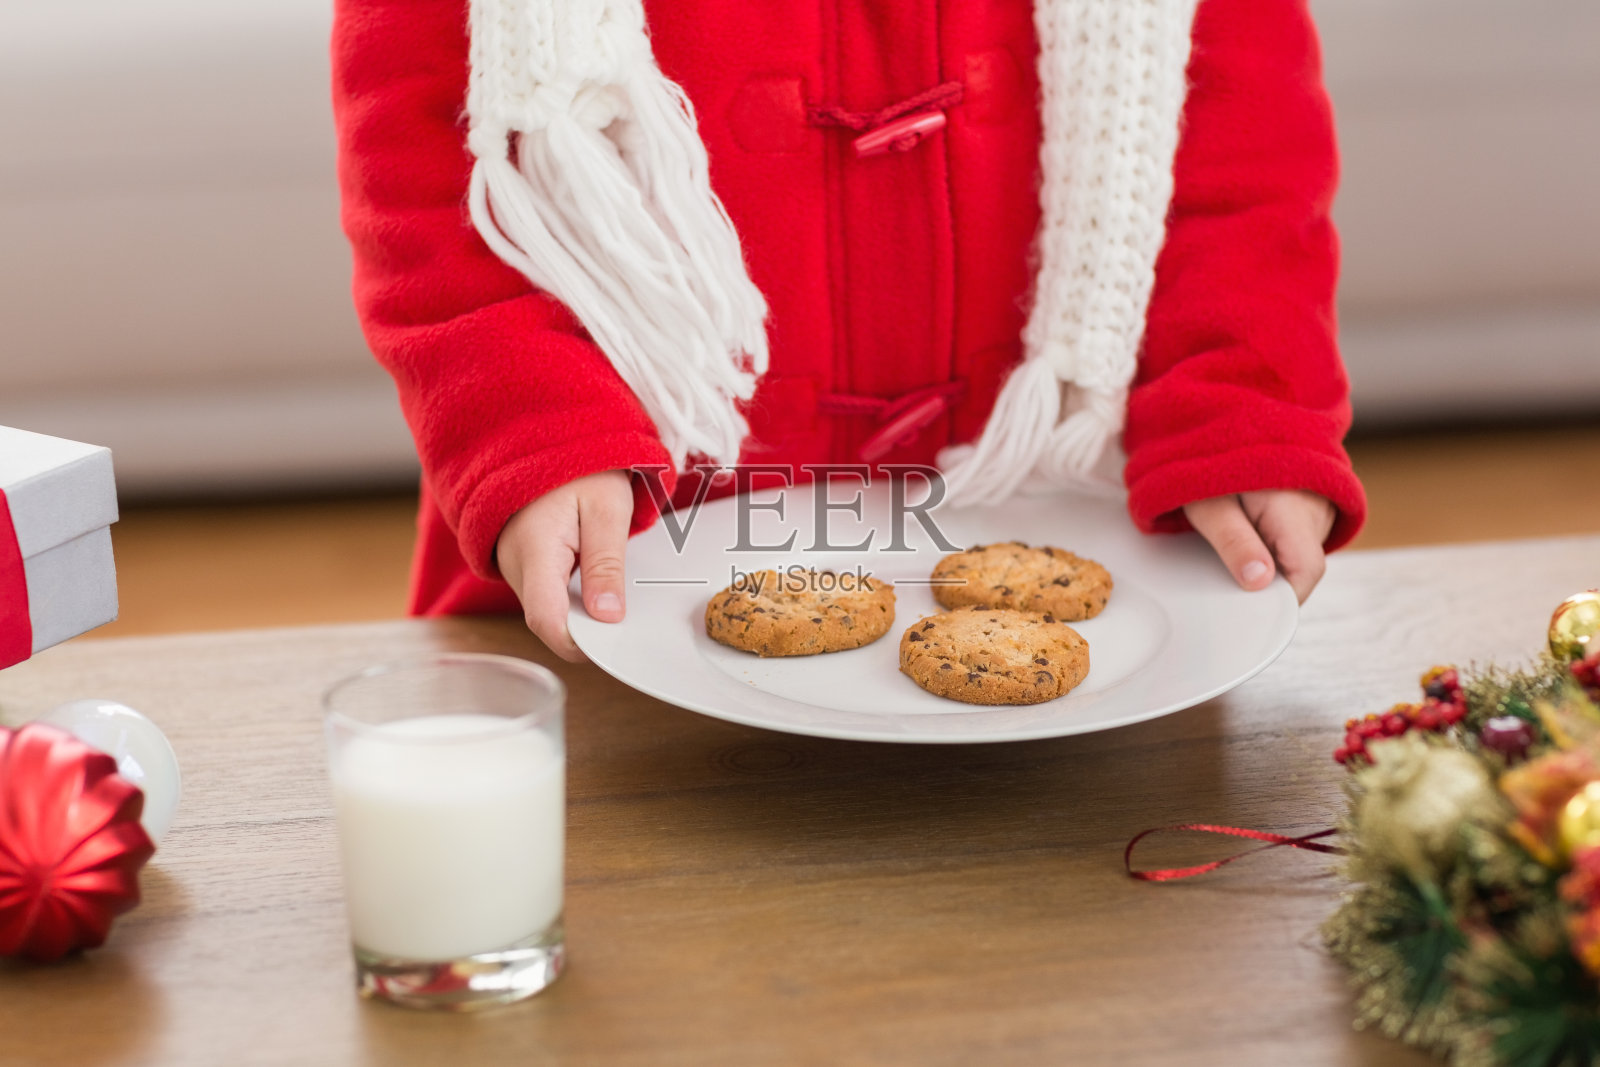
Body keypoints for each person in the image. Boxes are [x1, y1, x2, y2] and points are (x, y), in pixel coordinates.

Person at [332, 0, 1367, 662]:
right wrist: (532, 433)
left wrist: (1240, 404)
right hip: (603, 543)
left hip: (1074, 536)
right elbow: (429, 172)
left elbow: (1243, 151)